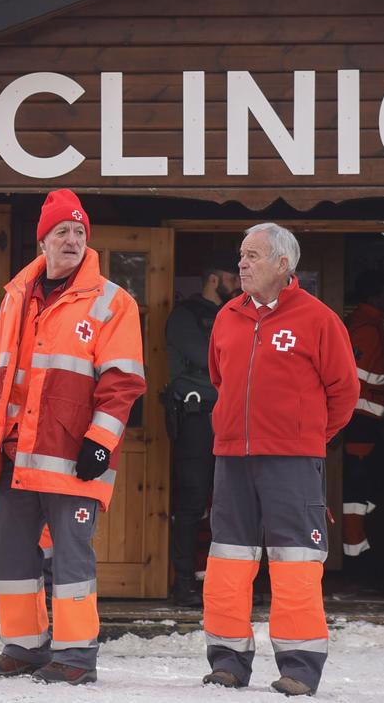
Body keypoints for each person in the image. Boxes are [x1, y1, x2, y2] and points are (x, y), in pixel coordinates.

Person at [0, 189, 145, 685]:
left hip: (72, 457)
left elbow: (123, 383)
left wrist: (100, 441)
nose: (72, 240)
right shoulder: (14, 297)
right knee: (13, 554)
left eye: (79, 232)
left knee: (71, 557)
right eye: (61, 232)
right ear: (43, 241)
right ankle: (24, 648)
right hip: (13, 455)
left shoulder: (113, 301)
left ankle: (74, 656)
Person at [202, 223, 359, 697]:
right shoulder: (227, 315)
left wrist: (308, 435)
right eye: (241, 255)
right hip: (232, 459)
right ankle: (228, 662)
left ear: (283, 265)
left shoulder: (319, 319)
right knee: (228, 563)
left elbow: (345, 392)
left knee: (295, 565)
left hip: (293, 462)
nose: (242, 264)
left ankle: (299, 667)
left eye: (253, 256)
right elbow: (219, 380)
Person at [164, 258, 238, 607]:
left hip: (231, 418)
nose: (237, 280)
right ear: (213, 277)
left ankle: (225, 584)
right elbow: (215, 359)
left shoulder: (234, 313)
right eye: (230, 274)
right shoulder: (186, 316)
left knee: (231, 503)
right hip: (196, 419)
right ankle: (185, 584)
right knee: (192, 502)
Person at [342, 270, 384, 560]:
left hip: (365, 419)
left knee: (364, 483)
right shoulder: (365, 329)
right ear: (375, 295)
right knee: (357, 485)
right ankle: (354, 551)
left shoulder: (367, 324)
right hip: (359, 418)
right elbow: (352, 377)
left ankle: (355, 548)